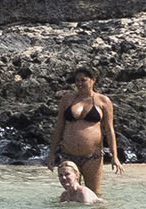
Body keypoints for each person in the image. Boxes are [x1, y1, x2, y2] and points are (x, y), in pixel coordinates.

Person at [47, 66, 120, 196]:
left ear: (93, 80)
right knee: (71, 195)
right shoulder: (67, 100)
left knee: (93, 196)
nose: (79, 84)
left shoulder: (103, 101)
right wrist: (51, 153)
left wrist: (115, 156)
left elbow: (109, 130)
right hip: (68, 155)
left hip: (93, 157)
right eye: (77, 80)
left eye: (83, 80)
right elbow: (59, 127)